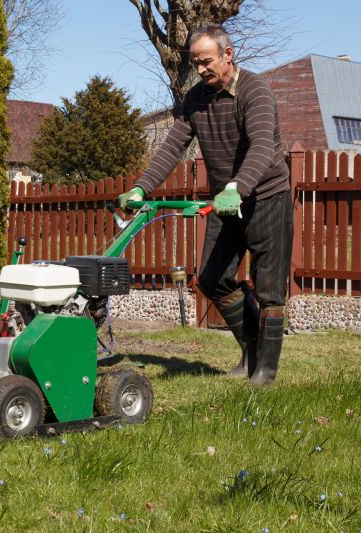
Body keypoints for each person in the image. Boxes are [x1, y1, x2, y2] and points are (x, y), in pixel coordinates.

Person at [118, 24, 292, 385]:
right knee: (212, 279)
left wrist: (237, 187)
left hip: (266, 197)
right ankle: (252, 351)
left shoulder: (255, 91)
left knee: (270, 288)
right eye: (195, 63)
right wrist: (141, 188)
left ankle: (266, 371)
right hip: (224, 203)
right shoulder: (196, 99)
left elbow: (262, 147)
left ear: (228, 54)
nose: (200, 70)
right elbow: (171, 147)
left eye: (206, 61)